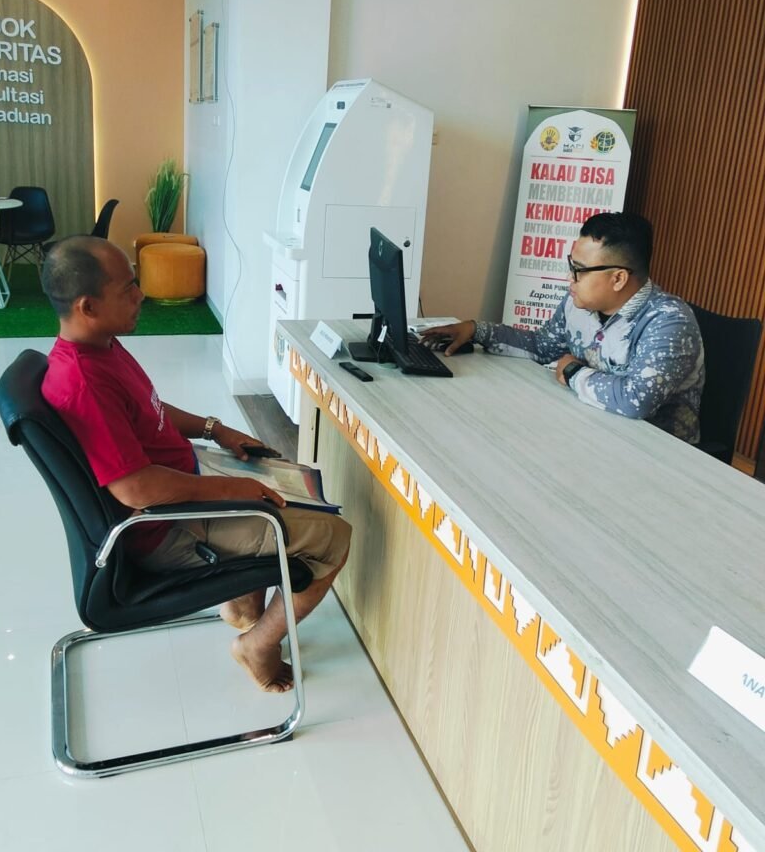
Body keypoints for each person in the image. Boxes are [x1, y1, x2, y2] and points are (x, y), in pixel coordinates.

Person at [40, 236, 351, 693]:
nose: (140, 295)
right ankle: (257, 644)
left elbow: (148, 409)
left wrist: (214, 429)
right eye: (128, 288)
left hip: (186, 481)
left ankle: (242, 607)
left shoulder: (99, 345)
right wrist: (236, 491)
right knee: (334, 537)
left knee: (272, 469)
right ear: (87, 306)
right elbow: (136, 489)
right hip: (168, 526)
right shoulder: (83, 384)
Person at [422, 212, 704, 443]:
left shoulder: (668, 321)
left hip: (657, 455)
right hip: (593, 431)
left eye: (579, 270)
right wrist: (476, 330)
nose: (569, 277)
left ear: (618, 278)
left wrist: (572, 372)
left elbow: (635, 400)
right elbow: (542, 347)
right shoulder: (578, 303)